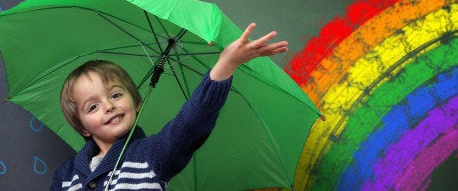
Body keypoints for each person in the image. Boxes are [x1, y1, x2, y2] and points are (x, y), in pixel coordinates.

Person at [51, 23, 288, 190]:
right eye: (92, 107)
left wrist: (225, 65)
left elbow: (190, 124)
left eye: (115, 94)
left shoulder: (154, 154)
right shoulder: (66, 176)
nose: (109, 106)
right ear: (82, 127)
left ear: (136, 102)